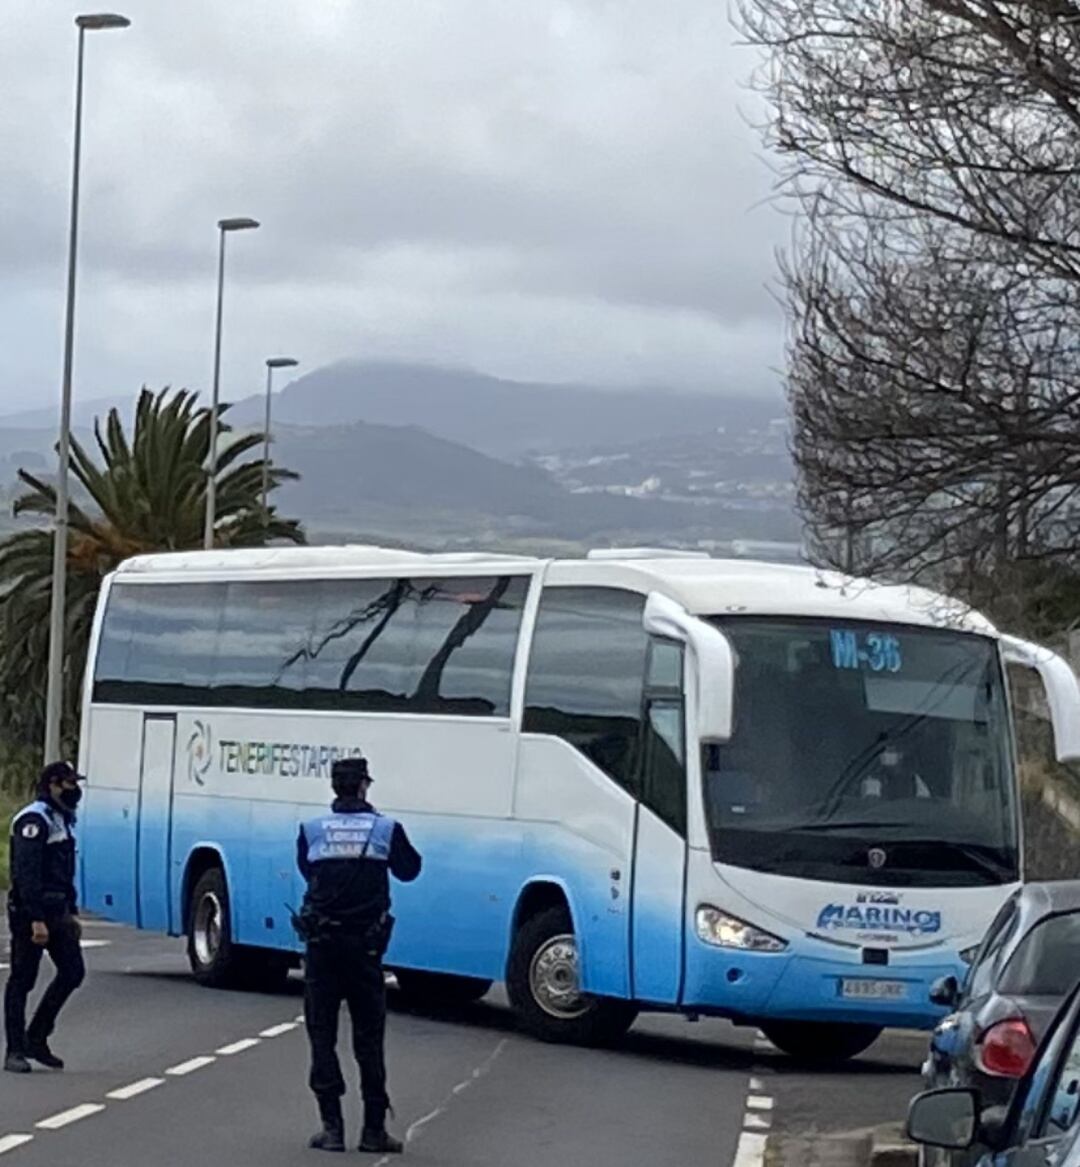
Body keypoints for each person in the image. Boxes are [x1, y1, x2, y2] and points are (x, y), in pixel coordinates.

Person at [297, 756, 422, 1155]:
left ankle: (331, 1129)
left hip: (321, 949)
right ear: (364, 786)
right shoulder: (385, 829)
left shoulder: (312, 830)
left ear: (335, 788)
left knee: (322, 1036)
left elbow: (308, 871)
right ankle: (372, 1131)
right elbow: (410, 870)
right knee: (369, 1040)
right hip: (365, 950)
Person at [4, 761, 86, 1074]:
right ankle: (14, 1050)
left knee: (73, 972)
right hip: (31, 913)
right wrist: (36, 918)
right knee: (22, 980)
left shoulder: (61, 819)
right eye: (68, 783)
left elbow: (64, 873)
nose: (74, 789)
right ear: (52, 784)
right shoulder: (33, 820)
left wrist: (73, 911)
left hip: (59, 911)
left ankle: (36, 1037)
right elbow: (27, 873)